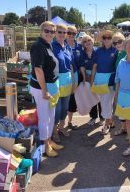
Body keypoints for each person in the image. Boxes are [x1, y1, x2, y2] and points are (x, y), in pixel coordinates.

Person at [29, 21, 63, 157]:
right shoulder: (38, 46)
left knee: (50, 116)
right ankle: (45, 145)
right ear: (41, 32)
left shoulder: (48, 45)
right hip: (42, 88)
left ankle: (49, 140)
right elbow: (38, 69)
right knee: (44, 118)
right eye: (47, 31)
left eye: (52, 31)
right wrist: (44, 91)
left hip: (51, 87)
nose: (49, 33)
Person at [91, 30, 117, 134]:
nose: (106, 40)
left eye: (109, 38)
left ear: (112, 39)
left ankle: (106, 124)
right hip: (100, 81)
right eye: (104, 38)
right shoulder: (98, 51)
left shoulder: (116, 51)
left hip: (110, 81)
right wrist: (92, 81)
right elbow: (94, 67)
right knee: (104, 103)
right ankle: (110, 120)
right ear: (102, 39)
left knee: (106, 103)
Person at [52, 24, 74, 142]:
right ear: (55, 33)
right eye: (59, 32)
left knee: (65, 107)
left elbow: (71, 65)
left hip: (67, 80)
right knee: (57, 108)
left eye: (64, 32)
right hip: (56, 81)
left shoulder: (67, 47)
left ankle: (61, 128)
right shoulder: (52, 46)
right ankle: (54, 131)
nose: (62, 34)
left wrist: (73, 81)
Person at [80, 35, 104, 125]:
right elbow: (82, 66)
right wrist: (84, 77)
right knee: (91, 97)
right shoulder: (82, 53)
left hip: (98, 77)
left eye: (89, 40)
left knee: (100, 98)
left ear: (92, 41)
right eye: (85, 41)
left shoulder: (97, 51)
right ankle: (93, 117)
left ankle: (102, 117)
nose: (87, 42)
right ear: (83, 44)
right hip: (87, 77)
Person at [66, 25, 82, 130]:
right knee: (63, 100)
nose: (71, 35)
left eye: (74, 33)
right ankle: (59, 123)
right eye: (69, 33)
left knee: (72, 99)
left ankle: (69, 122)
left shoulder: (79, 47)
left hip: (76, 76)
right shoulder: (61, 45)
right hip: (64, 77)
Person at [112, 32, 127, 136]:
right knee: (121, 108)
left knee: (126, 109)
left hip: (125, 86)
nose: (117, 44)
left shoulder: (127, 53)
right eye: (115, 42)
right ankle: (123, 128)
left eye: (120, 41)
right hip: (118, 85)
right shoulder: (118, 53)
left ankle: (128, 132)